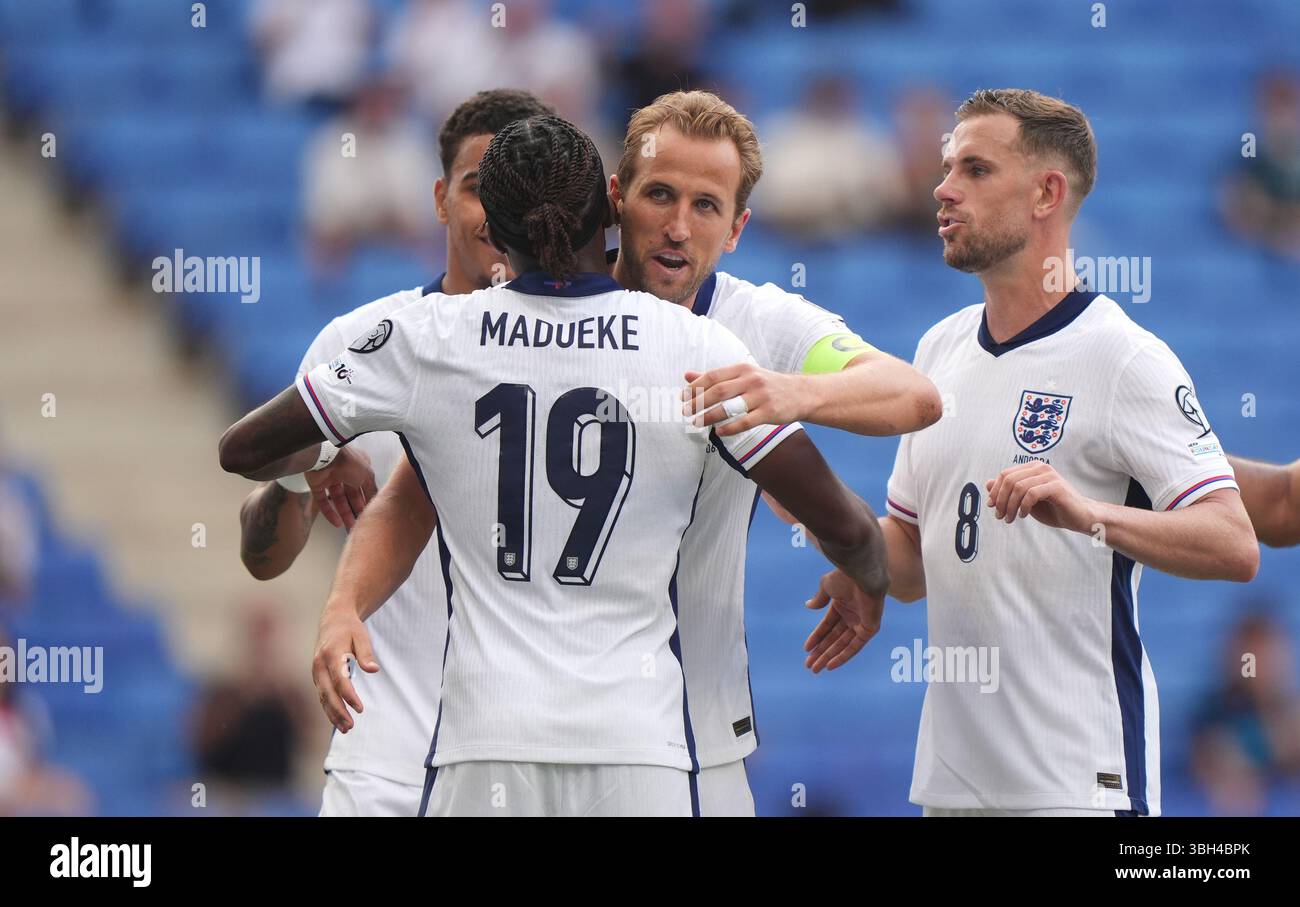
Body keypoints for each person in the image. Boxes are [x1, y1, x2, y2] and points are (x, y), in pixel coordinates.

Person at [219, 113, 890, 817]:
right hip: (639, 747)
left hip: (484, 745)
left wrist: (326, 454)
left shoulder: (430, 339)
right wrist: (868, 575)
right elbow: (843, 523)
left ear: (496, 230)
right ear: (607, 211)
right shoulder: (696, 345)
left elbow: (243, 449)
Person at [805, 88, 1259, 816]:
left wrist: (1089, 515)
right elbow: (914, 562)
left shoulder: (1124, 358)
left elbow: (1234, 544)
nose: (943, 188)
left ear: (1047, 193)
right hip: (952, 786)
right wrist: (829, 522)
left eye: (975, 170)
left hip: (1075, 784)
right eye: (947, 167)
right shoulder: (939, 347)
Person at [237, 89, 556, 817]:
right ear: (440, 199)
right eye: (477, 188)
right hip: (383, 763)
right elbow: (265, 557)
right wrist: (312, 463)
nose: (497, 213)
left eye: (519, 191)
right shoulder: (357, 344)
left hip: (533, 767)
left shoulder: (592, 353)